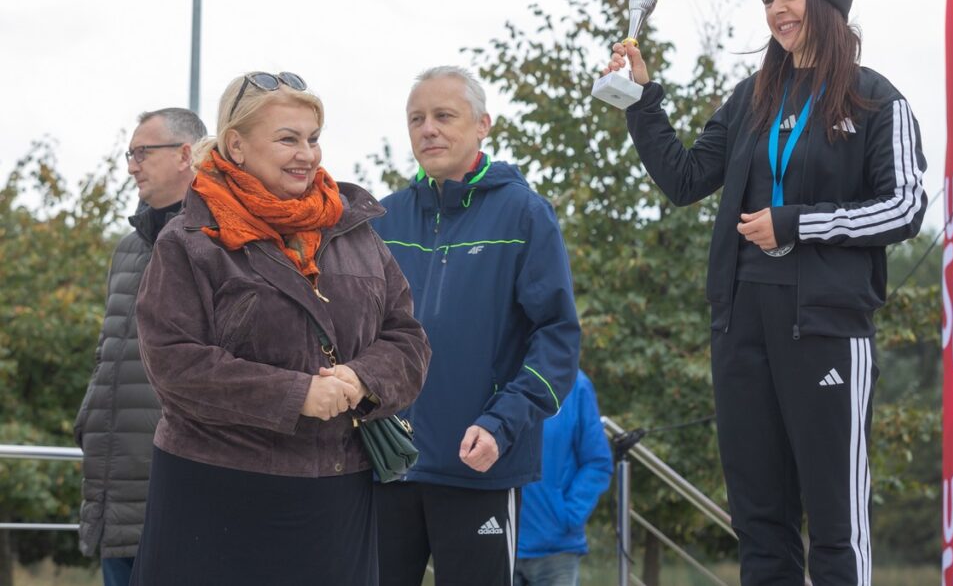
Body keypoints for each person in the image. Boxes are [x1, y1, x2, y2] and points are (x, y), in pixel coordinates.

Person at [602, 0, 926, 585]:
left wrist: (796, 224)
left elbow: (904, 207)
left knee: (836, 525)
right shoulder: (752, 97)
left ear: (827, 0)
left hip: (826, 327)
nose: (777, 9)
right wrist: (642, 102)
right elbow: (686, 178)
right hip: (742, 324)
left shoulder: (873, 98)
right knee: (760, 524)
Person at [130, 71, 430, 585]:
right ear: (237, 146)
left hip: (336, 495)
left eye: (313, 139)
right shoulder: (188, 240)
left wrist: (361, 381)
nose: (307, 154)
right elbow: (174, 363)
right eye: (288, 139)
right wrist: (297, 394)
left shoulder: (355, 230)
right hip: (215, 493)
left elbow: (408, 340)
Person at [371, 66, 581, 586]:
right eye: (416, 118)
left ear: (483, 124)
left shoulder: (525, 214)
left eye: (444, 116)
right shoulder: (382, 219)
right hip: (385, 465)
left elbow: (557, 337)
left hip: (479, 464)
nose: (428, 129)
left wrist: (501, 424)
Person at [74, 107, 206, 586]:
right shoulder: (128, 248)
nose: (131, 165)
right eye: (130, 154)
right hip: (114, 478)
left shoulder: (217, 241)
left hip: (179, 484)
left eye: (142, 153)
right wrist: (88, 420)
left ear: (186, 156)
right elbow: (107, 353)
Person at [515, 369, 612, 586]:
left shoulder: (575, 383)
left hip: (556, 550)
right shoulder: (496, 372)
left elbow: (598, 462)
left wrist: (567, 516)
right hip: (499, 541)